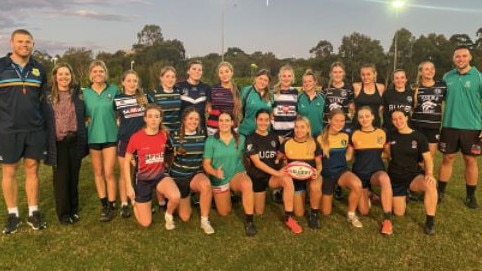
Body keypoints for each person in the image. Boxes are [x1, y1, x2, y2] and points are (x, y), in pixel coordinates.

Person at [1, 29, 48, 233]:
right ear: (11, 43)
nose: (24, 45)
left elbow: (43, 100)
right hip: (8, 129)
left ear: (33, 44)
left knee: (32, 169)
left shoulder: (39, 69)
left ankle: (33, 212)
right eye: (20, 41)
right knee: (9, 171)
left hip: (34, 129)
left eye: (28, 42)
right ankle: (13, 214)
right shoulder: (1, 67)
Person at [438, 45, 482, 209]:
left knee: (470, 160)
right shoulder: (447, 76)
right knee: (447, 158)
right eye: (457, 56)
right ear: (453, 58)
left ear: (470, 58)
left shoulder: (478, 77)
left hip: (472, 127)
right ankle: (440, 192)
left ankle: (470, 196)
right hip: (449, 125)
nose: (461, 59)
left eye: (464, 56)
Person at [245, 109, 302, 234]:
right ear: (255, 121)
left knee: (287, 180)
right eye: (260, 120)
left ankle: (289, 217)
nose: (263, 123)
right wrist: (277, 173)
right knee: (259, 211)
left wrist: (284, 163)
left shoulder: (274, 137)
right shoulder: (250, 138)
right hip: (257, 177)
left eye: (266, 120)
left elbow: (280, 155)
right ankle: (264, 195)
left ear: (270, 121)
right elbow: (257, 163)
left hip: (272, 178)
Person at [44, 63, 88, 225]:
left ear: (71, 76)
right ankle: (63, 214)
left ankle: (74, 210)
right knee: (62, 179)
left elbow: (85, 113)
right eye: (60, 74)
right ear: (55, 76)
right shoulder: (48, 96)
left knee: (74, 177)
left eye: (67, 74)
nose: (64, 77)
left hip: (75, 140)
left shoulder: (77, 94)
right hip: (59, 142)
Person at [124, 104, 181, 229]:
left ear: (161, 119)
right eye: (150, 116)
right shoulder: (136, 137)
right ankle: (135, 203)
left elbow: (170, 152)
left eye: (156, 116)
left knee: (176, 197)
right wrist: (128, 186)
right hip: (143, 180)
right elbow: (126, 160)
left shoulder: (164, 135)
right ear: (145, 119)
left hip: (160, 176)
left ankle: (168, 216)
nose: (153, 119)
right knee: (145, 223)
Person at [203, 112, 257, 236]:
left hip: (235, 174)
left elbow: (250, 155)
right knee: (224, 212)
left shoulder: (241, 138)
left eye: (227, 120)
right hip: (219, 178)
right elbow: (206, 164)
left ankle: (249, 222)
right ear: (218, 123)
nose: (224, 123)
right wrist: (214, 172)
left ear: (232, 123)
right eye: (221, 120)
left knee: (247, 184)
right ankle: (226, 196)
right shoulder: (211, 141)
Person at [387, 110, 437, 235]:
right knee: (398, 213)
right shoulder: (390, 135)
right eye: (394, 119)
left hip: (412, 176)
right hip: (395, 178)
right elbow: (387, 154)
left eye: (400, 118)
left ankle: (430, 223)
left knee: (430, 185)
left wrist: (429, 173)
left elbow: (427, 158)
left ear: (406, 117)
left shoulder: (418, 137)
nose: (398, 121)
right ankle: (402, 196)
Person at [167, 107, 215, 235]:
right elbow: (165, 156)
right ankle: (176, 197)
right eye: (190, 118)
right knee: (185, 217)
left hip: (195, 174)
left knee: (206, 185)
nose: (193, 121)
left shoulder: (203, 136)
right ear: (184, 120)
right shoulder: (174, 136)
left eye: (196, 119)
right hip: (179, 178)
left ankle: (204, 221)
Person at [83, 60, 120, 222]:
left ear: (105, 73)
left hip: (111, 136)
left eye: (101, 71)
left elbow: (121, 111)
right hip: (93, 137)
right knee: (98, 173)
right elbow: (81, 114)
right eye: (95, 71)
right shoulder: (85, 93)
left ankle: (112, 204)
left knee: (109, 172)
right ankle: (104, 204)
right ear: (90, 74)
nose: (98, 74)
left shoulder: (114, 90)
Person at [114, 70, 151, 218]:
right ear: (123, 82)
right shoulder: (117, 100)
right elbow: (116, 117)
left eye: (134, 81)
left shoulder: (144, 98)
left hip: (141, 142)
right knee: (125, 173)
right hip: (125, 141)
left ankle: (142, 199)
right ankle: (124, 203)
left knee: (141, 172)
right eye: (128, 81)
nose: (132, 84)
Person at [316, 109, 363, 228]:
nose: (339, 123)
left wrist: (351, 150)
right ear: (329, 120)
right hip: (326, 175)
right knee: (325, 212)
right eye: (336, 120)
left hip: (341, 171)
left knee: (357, 184)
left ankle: (351, 214)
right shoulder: (319, 137)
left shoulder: (346, 136)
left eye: (342, 121)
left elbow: (347, 156)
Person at [351, 106, 393, 235]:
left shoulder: (381, 133)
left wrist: (375, 154)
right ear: (358, 119)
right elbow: (349, 156)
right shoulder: (354, 134)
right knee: (364, 211)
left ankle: (387, 221)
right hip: (360, 174)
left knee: (385, 179)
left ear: (373, 117)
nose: (364, 119)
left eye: (367, 116)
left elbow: (388, 155)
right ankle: (368, 193)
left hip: (376, 171)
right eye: (361, 117)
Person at [278, 116, 322, 229]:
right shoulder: (287, 143)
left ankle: (314, 214)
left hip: (310, 177)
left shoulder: (314, 144)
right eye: (296, 127)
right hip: (294, 179)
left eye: (302, 127)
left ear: (308, 129)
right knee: (299, 213)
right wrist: (282, 164)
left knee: (316, 185)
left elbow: (319, 164)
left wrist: (318, 172)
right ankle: (301, 193)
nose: (299, 130)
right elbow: (278, 159)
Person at [322, 61, 355, 200]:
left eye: (340, 72)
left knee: (342, 152)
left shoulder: (348, 88)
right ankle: (327, 180)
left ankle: (339, 185)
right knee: (328, 152)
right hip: (328, 125)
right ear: (331, 74)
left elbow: (352, 106)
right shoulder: (325, 88)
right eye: (335, 72)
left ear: (344, 73)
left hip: (344, 125)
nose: (337, 74)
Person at [411, 61, 446, 158]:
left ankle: (428, 173)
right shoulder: (414, 88)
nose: (430, 71)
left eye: (432, 69)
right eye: (426, 69)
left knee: (430, 157)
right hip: (416, 126)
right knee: (415, 156)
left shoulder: (442, 86)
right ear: (420, 72)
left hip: (433, 127)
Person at [206, 61, 242, 136]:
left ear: (232, 72)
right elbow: (208, 108)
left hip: (231, 128)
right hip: (214, 128)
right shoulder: (213, 89)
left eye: (227, 71)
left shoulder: (238, 89)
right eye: (221, 72)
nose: (224, 74)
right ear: (218, 75)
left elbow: (239, 110)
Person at [177, 60, 211, 130]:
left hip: (200, 127)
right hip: (183, 128)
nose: (197, 71)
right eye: (194, 69)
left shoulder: (206, 88)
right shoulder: (179, 86)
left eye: (199, 70)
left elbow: (209, 108)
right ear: (188, 71)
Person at [239, 69, 273, 136]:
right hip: (246, 132)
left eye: (265, 80)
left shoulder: (271, 95)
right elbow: (238, 110)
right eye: (260, 78)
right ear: (255, 78)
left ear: (268, 83)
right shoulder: (246, 91)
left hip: (264, 133)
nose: (262, 82)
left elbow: (271, 113)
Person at [150, 66, 182, 133]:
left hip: (177, 132)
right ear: (161, 78)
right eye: (167, 76)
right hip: (160, 132)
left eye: (173, 77)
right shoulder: (153, 94)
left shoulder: (179, 92)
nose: (170, 79)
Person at [353, 64, 385, 128]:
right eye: (363, 75)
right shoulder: (356, 86)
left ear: (375, 74)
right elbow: (348, 101)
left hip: (375, 124)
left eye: (368, 74)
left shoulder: (381, 87)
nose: (365, 77)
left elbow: (383, 105)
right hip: (358, 124)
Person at [271, 65, 298, 141]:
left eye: (289, 76)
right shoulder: (273, 92)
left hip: (292, 133)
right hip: (276, 133)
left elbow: (297, 112)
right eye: (284, 76)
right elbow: (270, 111)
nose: (286, 78)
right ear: (280, 77)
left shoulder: (295, 92)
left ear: (292, 77)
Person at [382, 69, 414, 134]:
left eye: (402, 77)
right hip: (389, 129)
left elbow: (414, 109)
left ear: (406, 79)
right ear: (393, 81)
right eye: (397, 78)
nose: (400, 80)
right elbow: (383, 111)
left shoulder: (411, 94)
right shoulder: (387, 94)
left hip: (406, 129)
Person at [297, 69, 325, 137]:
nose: (307, 83)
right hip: (303, 136)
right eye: (305, 82)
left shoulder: (322, 97)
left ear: (315, 82)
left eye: (310, 81)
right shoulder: (299, 97)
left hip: (319, 136)